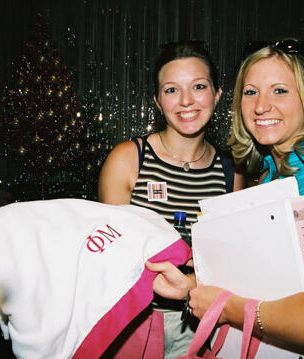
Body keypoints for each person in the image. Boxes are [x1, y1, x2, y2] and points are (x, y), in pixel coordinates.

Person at [146, 37, 304, 356]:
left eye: (279, 90)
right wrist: (194, 286)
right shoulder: (268, 176)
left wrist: (226, 309)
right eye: (250, 92)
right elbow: (267, 283)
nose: (261, 106)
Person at [98, 40, 244, 358]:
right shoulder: (128, 159)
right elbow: (109, 259)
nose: (186, 101)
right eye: (171, 90)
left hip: (205, 322)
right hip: (134, 322)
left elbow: (234, 261)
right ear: (157, 100)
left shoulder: (231, 172)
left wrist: (194, 282)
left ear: (217, 94)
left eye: (199, 86)